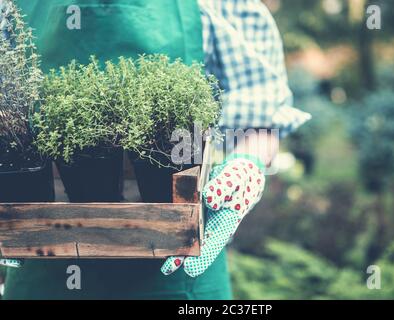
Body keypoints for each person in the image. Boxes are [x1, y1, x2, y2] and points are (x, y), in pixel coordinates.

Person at [1, 0, 310, 299]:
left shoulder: (223, 3)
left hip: (180, 271)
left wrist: (247, 163)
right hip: (41, 267)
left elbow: (259, 119)